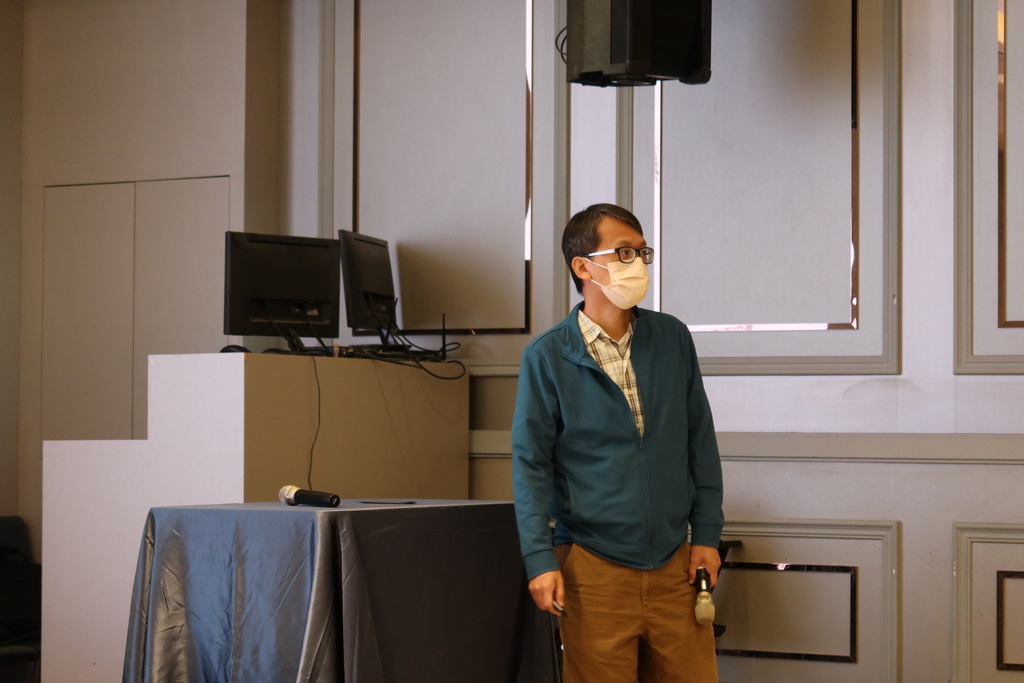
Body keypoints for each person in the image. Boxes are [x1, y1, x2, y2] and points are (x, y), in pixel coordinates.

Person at [512, 203, 724, 683]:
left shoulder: (672, 338)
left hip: (676, 564)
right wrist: (539, 559)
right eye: (624, 252)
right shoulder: (547, 356)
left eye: (642, 252)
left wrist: (707, 536)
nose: (639, 264)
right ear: (582, 266)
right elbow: (531, 465)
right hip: (593, 568)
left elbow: (700, 443)